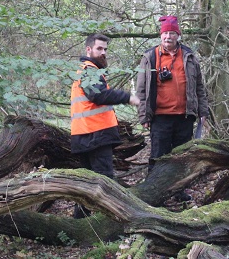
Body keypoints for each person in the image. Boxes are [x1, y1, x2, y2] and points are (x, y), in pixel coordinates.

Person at [70, 33, 140, 217]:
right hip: (94, 134)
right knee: (104, 183)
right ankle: (106, 224)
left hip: (86, 135)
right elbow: (98, 95)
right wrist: (128, 97)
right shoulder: (89, 71)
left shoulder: (85, 70)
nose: (103, 53)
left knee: (87, 184)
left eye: (105, 49)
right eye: (99, 48)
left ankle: (80, 225)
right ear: (88, 49)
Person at [136, 15, 210, 177]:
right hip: (159, 117)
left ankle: (179, 191)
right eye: (165, 33)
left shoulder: (189, 56)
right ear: (160, 35)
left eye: (172, 33)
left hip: (185, 116)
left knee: (182, 157)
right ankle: (152, 192)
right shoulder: (150, 57)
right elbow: (141, 90)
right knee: (158, 156)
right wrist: (144, 115)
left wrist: (203, 112)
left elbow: (199, 87)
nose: (168, 37)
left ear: (178, 35)